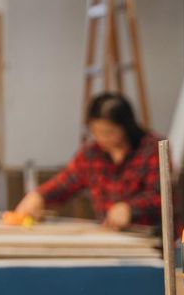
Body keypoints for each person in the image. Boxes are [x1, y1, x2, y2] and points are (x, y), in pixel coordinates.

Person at [14, 92, 163, 229]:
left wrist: (130, 209)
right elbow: (65, 182)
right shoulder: (92, 154)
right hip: (113, 239)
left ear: (126, 127)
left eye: (108, 132)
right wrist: (39, 196)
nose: (101, 138)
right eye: (95, 132)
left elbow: (159, 196)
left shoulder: (152, 149)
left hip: (153, 240)